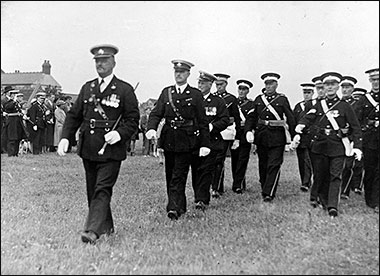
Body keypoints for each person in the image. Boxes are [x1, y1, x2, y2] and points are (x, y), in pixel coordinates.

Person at [57, 44, 140, 244]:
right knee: (92, 189)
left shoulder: (124, 89)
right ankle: (107, 226)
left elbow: (132, 119)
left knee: (102, 188)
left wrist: (119, 134)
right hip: (89, 147)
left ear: (114, 62)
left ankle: (92, 230)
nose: (100, 64)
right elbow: (74, 116)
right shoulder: (88, 88)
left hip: (111, 149)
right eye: (97, 61)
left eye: (104, 60)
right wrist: (66, 137)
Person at [145, 59, 211, 220]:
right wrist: (151, 128)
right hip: (169, 138)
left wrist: (204, 143)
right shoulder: (166, 92)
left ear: (188, 74)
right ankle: (179, 206)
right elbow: (156, 113)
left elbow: (202, 121)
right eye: (176, 72)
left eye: (182, 72)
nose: (178, 74)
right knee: (170, 173)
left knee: (179, 173)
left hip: (187, 139)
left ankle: (173, 207)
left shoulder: (195, 94)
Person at [295, 72, 362, 218]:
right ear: (323, 87)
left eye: (333, 84)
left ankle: (333, 206)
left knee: (335, 175)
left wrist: (357, 146)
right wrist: (300, 125)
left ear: (338, 86)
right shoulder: (318, 104)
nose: (330, 87)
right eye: (327, 84)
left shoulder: (345, 106)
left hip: (338, 145)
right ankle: (323, 200)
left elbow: (356, 127)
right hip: (320, 146)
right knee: (321, 175)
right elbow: (308, 117)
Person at [245, 72, 296, 202]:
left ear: (276, 84)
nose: (268, 86)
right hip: (262, 135)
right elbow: (252, 117)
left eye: (271, 84)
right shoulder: (258, 99)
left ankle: (269, 192)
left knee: (274, 164)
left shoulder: (282, 99)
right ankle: (264, 186)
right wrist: (248, 131)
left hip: (277, 136)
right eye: (266, 84)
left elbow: (290, 117)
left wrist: (295, 136)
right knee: (263, 164)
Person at [190, 70, 229, 211]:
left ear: (210, 84)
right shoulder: (192, 99)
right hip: (194, 141)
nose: (200, 85)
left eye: (203, 82)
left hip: (212, 141)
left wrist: (212, 126)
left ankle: (202, 199)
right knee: (196, 170)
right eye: (199, 82)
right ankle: (197, 196)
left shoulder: (218, 101)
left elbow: (225, 120)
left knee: (206, 171)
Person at [211, 73, 241, 198]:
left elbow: (237, 119)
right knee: (215, 160)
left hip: (227, 130)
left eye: (221, 84)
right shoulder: (211, 98)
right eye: (217, 84)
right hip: (213, 131)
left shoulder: (231, 99)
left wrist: (238, 137)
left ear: (226, 84)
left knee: (220, 159)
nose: (219, 87)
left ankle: (217, 188)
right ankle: (217, 187)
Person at [354, 68, 379, 213]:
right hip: (369, 140)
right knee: (369, 169)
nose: (376, 83)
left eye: (378, 80)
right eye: (373, 80)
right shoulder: (364, 99)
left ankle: (376, 200)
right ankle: (370, 199)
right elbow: (356, 120)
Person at [339, 76, 364, 200]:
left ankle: (345, 191)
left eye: (348, 87)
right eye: (343, 87)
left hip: (351, 138)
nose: (345, 90)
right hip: (338, 138)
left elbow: (358, 123)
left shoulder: (358, 103)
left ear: (352, 88)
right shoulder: (338, 103)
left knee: (349, 165)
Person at [231, 79, 256, 194]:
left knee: (242, 159)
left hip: (245, 133)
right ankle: (237, 182)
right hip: (234, 132)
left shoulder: (251, 104)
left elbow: (252, 119)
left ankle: (238, 185)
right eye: (240, 89)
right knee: (234, 159)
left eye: (244, 89)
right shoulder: (233, 102)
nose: (241, 92)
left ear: (248, 91)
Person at [291, 83, 315, 192]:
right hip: (300, 137)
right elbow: (293, 121)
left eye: (309, 93)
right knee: (301, 160)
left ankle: (306, 182)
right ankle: (304, 181)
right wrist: (294, 136)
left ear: (312, 93)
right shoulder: (298, 106)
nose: (306, 95)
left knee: (308, 160)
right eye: (305, 93)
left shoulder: (315, 105)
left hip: (311, 137)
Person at [2, 88, 28, 156]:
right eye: (14, 94)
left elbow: (18, 111)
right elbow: (7, 107)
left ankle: (15, 153)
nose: (16, 96)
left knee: (18, 138)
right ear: (11, 95)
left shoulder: (16, 103)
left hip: (17, 122)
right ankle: (11, 153)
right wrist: (13, 101)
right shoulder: (9, 102)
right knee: (12, 138)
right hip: (12, 122)